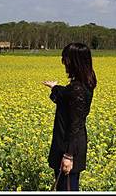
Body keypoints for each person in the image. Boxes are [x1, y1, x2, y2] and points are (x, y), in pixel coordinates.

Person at [43, 42, 96, 191]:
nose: (63, 62)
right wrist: (54, 87)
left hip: (69, 148)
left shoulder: (77, 89)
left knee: (67, 188)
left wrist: (68, 155)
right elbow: (65, 95)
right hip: (69, 145)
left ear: (74, 61)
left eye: (65, 58)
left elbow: (76, 123)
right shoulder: (82, 84)